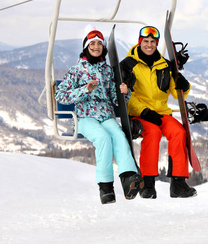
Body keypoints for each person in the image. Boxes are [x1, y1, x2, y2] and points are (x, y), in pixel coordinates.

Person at [55, 25, 143, 204]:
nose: (96, 46)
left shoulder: (107, 70)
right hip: (85, 117)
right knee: (103, 139)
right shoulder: (77, 71)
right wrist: (84, 90)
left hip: (106, 115)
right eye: (92, 43)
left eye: (99, 44)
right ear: (86, 47)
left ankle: (128, 179)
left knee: (119, 136)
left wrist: (125, 93)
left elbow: (115, 99)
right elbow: (61, 95)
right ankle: (106, 187)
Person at [120, 26, 197, 199]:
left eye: (152, 42)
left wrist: (184, 86)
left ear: (156, 43)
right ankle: (147, 184)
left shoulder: (165, 65)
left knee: (179, 132)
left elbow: (177, 93)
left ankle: (178, 183)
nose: (149, 45)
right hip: (140, 113)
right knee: (153, 133)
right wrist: (144, 111)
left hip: (161, 112)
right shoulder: (127, 65)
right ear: (140, 42)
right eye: (145, 41)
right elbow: (125, 95)